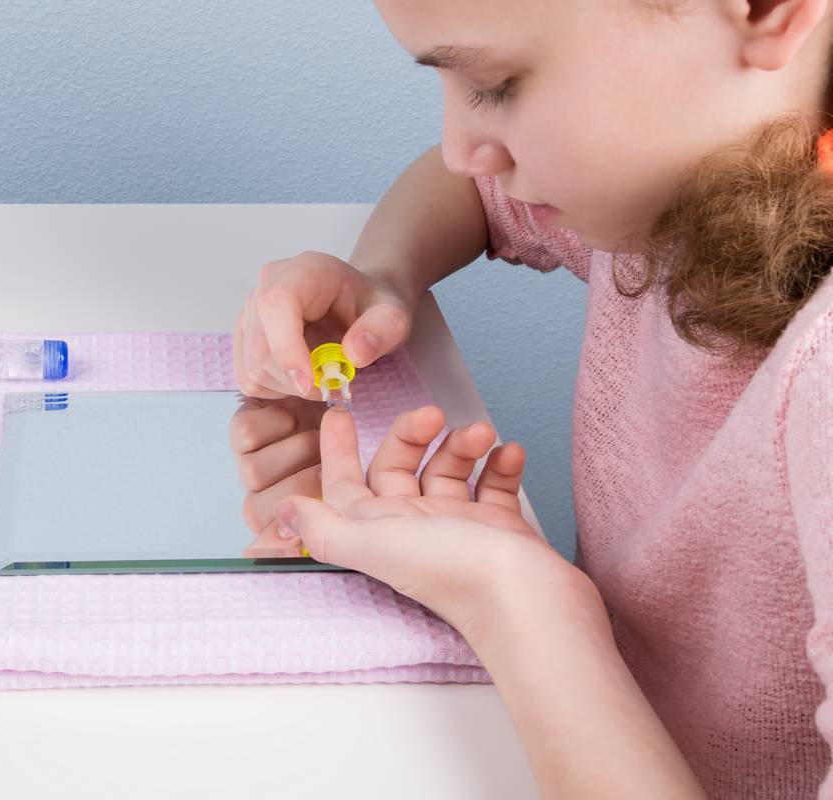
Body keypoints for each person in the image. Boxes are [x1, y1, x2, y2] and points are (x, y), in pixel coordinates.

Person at [229, 1, 833, 796]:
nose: (461, 149)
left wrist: (517, 605)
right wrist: (382, 276)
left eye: (495, 83)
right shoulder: (696, 166)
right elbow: (477, 198)